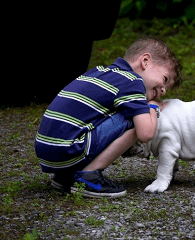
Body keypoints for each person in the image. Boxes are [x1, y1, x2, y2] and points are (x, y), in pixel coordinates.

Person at [35, 36, 183, 198]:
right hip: (68, 149)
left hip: (47, 150)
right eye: (165, 79)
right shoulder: (132, 82)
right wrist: (153, 107)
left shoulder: (98, 72)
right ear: (145, 61)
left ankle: (65, 176)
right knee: (134, 119)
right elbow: (146, 133)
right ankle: (88, 176)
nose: (163, 91)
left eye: (165, 89)